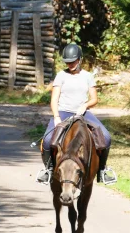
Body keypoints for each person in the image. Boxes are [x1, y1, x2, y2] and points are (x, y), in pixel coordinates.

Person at [36, 43, 117, 185]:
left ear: (80, 59)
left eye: (73, 61)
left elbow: (94, 99)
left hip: (83, 113)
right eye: (68, 62)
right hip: (63, 112)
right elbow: (54, 99)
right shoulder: (61, 76)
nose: (70, 64)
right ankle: (48, 170)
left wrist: (85, 105)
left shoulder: (87, 76)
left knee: (106, 137)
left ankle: (102, 170)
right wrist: (56, 117)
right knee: (48, 140)